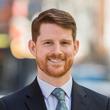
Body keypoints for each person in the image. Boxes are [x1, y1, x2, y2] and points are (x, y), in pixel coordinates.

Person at [0, 8, 110, 110]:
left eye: (64, 43)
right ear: (33, 48)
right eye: (48, 43)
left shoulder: (103, 105)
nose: (57, 51)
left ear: (75, 47)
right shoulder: (7, 106)